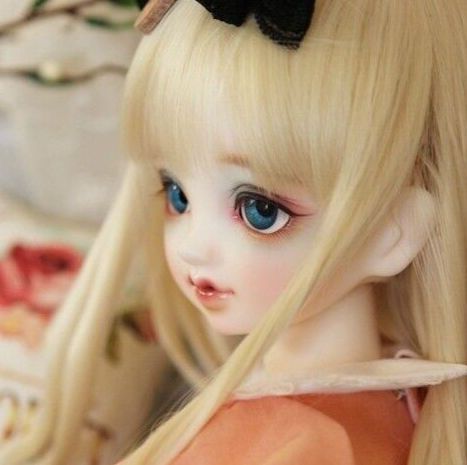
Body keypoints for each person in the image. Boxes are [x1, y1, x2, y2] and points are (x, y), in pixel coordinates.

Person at [2, 0, 467, 464]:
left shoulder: (305, 445)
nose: (192, 248)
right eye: (177, 194)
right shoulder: (390, 411)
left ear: (391, 233)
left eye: (260, 211)